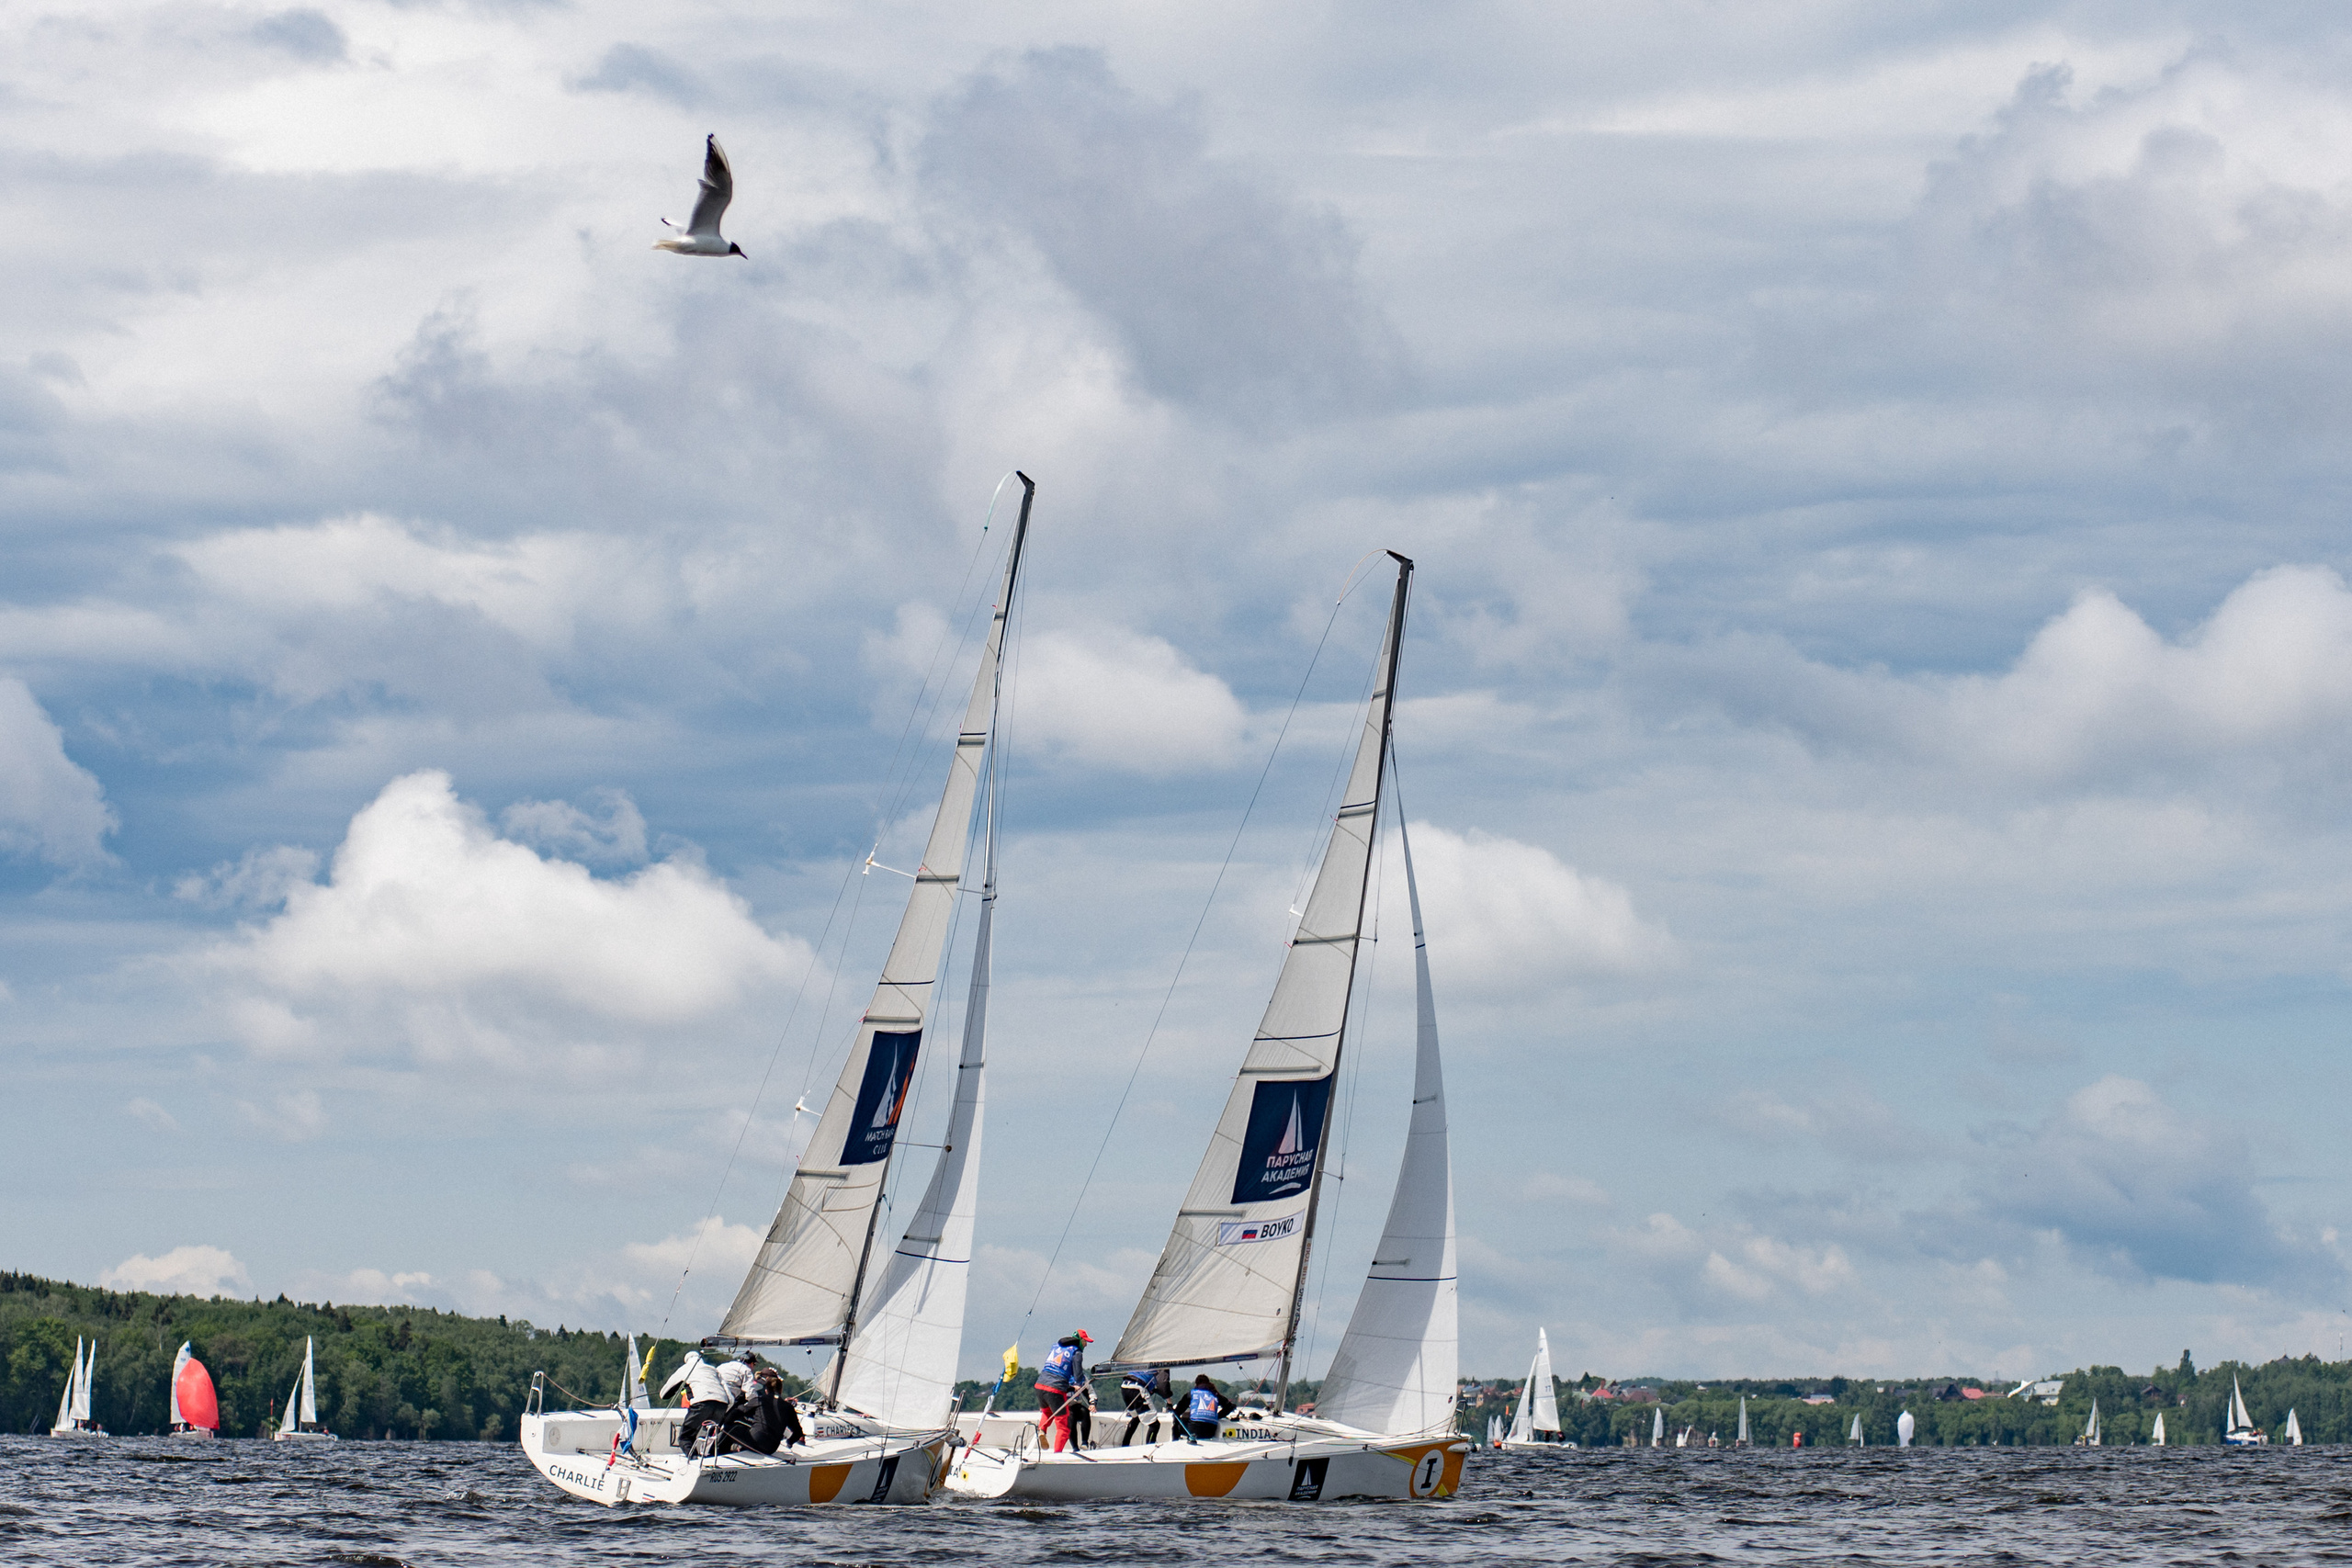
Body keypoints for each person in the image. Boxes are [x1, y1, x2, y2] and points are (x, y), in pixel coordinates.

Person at [657, 1351, 729, 1458]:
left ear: (687, 1361)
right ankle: (708, 1458)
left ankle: (694, 1459)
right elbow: (730, 1397)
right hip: (722, 1404)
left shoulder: (685, 1369)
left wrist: (679, 1387)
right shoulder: (713, 1369)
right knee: (709, 1436)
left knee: (685, 1437)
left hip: (702, 1404)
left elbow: (663, 1394)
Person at [723, 1367, 808, 1455]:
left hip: (756, 1442)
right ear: (781, 1390)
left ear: (766, 1390)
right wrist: (789, 1442)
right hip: (771, 1448)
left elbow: (737, 1412)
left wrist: (726, 1422)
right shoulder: (789, 1407)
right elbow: (798, 1433)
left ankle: (719, 1454)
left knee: (732, 1428)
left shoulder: (759, 1400)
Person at [1033, 1330, 1091, 1453]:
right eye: (1085, 1341)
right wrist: (1080, 1384)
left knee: (1048, 1411)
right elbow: (1078, 1375)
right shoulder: (1077, 1352)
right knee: (1064, 1427)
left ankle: (1042, 1430)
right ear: (1079, 1341)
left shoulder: (1056, 1346)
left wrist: (1069, 1387)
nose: (1086, 1344)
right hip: (1055, 1389)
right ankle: (1057, 1454)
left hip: (1040, 1384)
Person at [1118, 1367, 1171, 1445]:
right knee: (1155, 1425)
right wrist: (1169, 1403)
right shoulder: (1163, 1363)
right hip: (1137, 1388)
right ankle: (1149, 1449)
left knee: (1136, 1418)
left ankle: (1124, 1445)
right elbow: (1163, 1386)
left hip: (1125, 1387)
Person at [1182, 1374, 1236, 1440]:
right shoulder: (1215, 1394)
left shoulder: (1192, 1393)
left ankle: (1176, 1438)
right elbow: (1230, 1407)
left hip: (1194, 1430)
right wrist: (1217, 1416)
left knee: (1184, 1416)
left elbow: (1178, 1410)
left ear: (1196, 1384)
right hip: (1210, 1432)